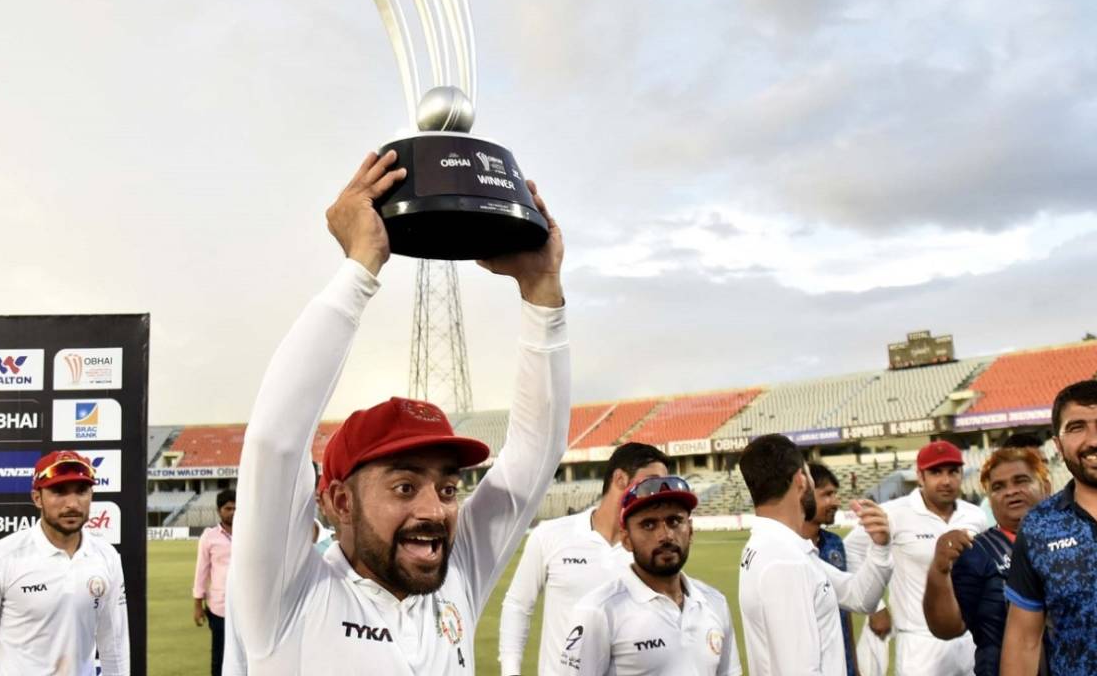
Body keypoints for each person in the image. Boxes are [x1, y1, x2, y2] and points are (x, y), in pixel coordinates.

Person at [229, 150, 569, 674]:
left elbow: (532, 459)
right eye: (405, 487)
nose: (435, 510)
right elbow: (275, 442)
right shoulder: (286, 595)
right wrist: (359, 268)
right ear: (340, 500)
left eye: (449, 488)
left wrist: (541, 290)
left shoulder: (456, 579)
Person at [1002, 380, 1097, 675]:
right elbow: (1024, 641)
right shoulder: (1038, 526)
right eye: (1077, 427)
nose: (1095, 440)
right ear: (1058, 443)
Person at [499, 442, 670, 676]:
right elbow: (518, 605)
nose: (659, 492)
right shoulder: (550, 535)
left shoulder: (650, 549)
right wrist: (510, 671)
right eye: (651, 482)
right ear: (620, 479)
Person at [0, 450, 129, 675]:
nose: (72, 504)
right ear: (37, 498)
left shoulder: (107, 557)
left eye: (82, 491)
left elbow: (114, 645)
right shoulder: (0, 558)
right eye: (59, 492)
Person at [737, 434, 893, 676]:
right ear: (801, 480)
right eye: (809, 474)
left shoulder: (782, 548)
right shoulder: (785, 560)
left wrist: (881, 548)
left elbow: (860, 597)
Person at [558, 476, 740, 675]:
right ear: (626, 539)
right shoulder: (598, 610)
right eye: (649, 525)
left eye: (675, 521)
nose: (666, 535)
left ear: (691, 531)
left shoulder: (714, 602)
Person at [844, 440, 987, 676]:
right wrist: (876, 606)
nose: (946, 480)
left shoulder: (975, 515)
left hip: (970, 636)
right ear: (920, 477)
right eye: (936, 472)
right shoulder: (894, 512)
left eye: (953, 472)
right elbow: (850, 550)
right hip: (920, 642)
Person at [922, 447, 1049, 676]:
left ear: (1045, 487)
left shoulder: (1074, 540)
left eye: (1020, 481)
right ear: (990, 500)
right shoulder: (978, 552)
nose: (1010, 492)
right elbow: (948, 628)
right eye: (998, 487)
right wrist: (939, 570)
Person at [801, 463, 859, 676]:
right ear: (803, 495)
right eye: (826, 495)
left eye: (835, 494)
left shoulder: (835, 543)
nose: (835, 502)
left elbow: (845, 610)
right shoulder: (787, 549)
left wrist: (854, 664)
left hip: (844, 664)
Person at [194, 489, 236, 676]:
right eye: (228, 508)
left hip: (246, 608)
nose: (233, 512)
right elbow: (201, 572)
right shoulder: (209, 536)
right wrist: (197, 605)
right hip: (219, 607)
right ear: (219, 510)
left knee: (246, 657)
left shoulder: (249, 535)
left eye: (236, 508)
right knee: (219, 656)